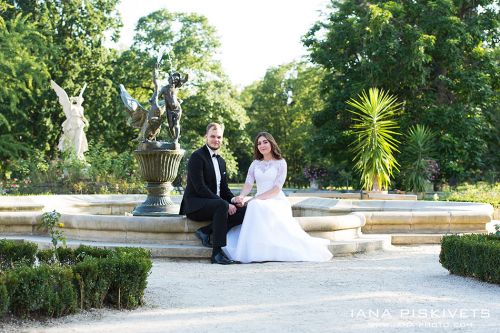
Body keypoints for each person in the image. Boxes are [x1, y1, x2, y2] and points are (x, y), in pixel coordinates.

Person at [223, 132, 332, 263]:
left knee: (255, 204)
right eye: (259, 143)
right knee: (254, 205)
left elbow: (277, 188)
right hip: (259, 198)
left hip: (276, 199)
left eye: (265, 142)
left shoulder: (281, 163)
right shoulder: (255, 164)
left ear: (271, 143)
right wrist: (241, 196)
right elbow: (248, 183)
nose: (262, 145)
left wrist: (255, 199)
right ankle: (256, 249)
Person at [179, 123, 246, 264]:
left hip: (214, 204)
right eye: (213, 136)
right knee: (221, 206)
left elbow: (224, 189)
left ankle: (206, 231)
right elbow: (200, 188)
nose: (216, 140)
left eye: (219, 137)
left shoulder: (221, 161)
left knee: (245, 210)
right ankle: (216, 254)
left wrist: (234, 199)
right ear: (206, 137)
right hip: (195, 205)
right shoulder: (197, 157)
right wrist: (224, 204)